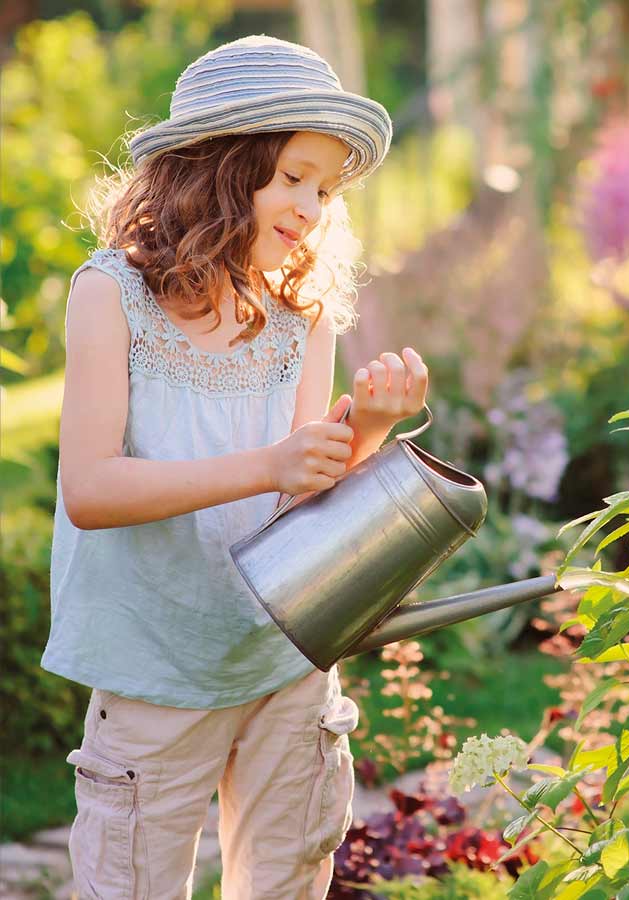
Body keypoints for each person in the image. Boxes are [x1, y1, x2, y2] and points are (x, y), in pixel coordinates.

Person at [40, 34, 428, 899]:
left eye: (326, 188)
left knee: (286, 880)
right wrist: (269, 463)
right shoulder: (110, 296)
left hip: (286, 659)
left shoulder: (303, 318)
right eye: (291, 175)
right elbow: (92, 489)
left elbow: (302, 494)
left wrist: (363, 427)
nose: (311, 205)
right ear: (216, 166)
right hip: (155, 666)